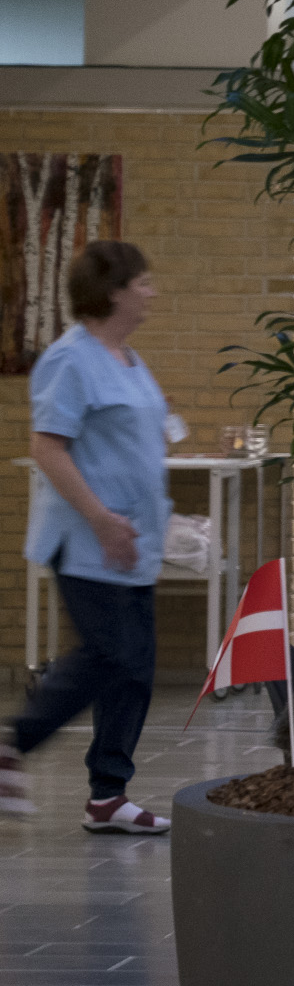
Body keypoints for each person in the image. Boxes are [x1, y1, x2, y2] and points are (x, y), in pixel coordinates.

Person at [4, 242, 173, 831]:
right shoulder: (69, 359)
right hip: (88, 541)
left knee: (135, 669)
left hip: (135, 541)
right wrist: (101, 517)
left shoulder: (127, 357)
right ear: (114, 291)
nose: (151, 292)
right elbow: (47, 447)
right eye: (143, 283)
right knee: (110, 654)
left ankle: (108, 796)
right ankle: (13, 743)